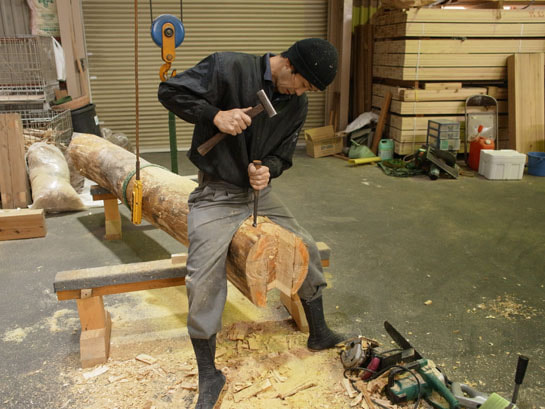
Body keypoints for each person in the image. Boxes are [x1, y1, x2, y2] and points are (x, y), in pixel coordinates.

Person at [158, 38, 345, 409]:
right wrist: (215, 115)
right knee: (202, 276)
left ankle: (319, 332)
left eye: (308, 90)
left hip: (257, 194)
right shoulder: (228, 66)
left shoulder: (296, 103)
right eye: (302, 84)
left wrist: (267, 170)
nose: (301, 93)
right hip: (216, 193)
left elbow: (283, 154)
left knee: (306, 246)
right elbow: (169, 91)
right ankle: (209, 373)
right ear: (288, 64)